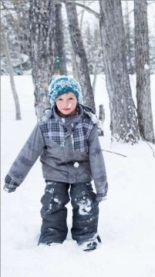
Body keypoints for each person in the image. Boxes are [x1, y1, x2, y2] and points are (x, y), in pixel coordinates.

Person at [3, 76, 108, 252]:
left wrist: (101, 186)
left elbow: (96, 157)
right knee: (52, 201)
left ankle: (86, 235)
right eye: (60, 99)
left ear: (77, 99)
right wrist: (13, 179)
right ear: (53, 101)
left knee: (85, 200)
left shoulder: (87, 124)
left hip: (80, 173)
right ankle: (52, 235)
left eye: (70, 98)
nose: (65, 103)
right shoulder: (45, 125)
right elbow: (28, 153)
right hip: (55, 173)